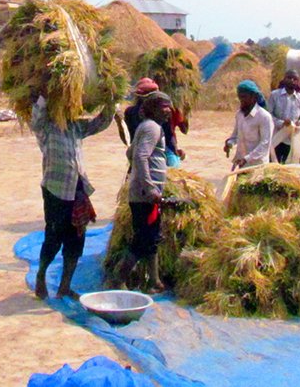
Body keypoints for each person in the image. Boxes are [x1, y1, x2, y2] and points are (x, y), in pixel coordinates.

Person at [31, 94, 114, 300]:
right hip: (56, 190)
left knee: (76, 240)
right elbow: (36, 118)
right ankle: (41, 276)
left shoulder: (76, 127)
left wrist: (112, 101)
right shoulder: (46, 128)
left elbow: (100, 123)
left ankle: (65, 286)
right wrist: (46, 93)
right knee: (53, 238)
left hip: (78, 189)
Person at [117, 91, 173, 293]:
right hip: (144, 196)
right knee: (143, 239)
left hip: (145, 193)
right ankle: (119, 279)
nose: (168, 112)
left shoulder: (147, 127)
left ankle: (154, 281)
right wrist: (150, 187)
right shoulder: (152, 128)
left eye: (169, 107)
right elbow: (140, 156)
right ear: (153, 109)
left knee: (152, 238)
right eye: (164, 107)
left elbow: (130, 152)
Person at [122, 77, 187, 166]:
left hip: (138, 150)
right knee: (173, 170)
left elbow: (128, 137)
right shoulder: (167, 110)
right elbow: (178, 132)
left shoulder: (129, 112)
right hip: (163, 151)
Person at [224, 80, 274, 168]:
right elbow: (236, 136)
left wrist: (247, 159)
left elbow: (265, 144)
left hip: (258, 166)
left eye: (244, 97)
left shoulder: (264, 117)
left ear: (253, 97)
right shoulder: (239, 114)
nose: (241, 100)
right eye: (239, 97)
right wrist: (229, 144)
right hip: (242, 165)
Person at [269, 70, 300, 164]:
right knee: (273, 166)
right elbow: (268, 115)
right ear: (284, 79)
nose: (292, 80)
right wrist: (281, 123)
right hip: (276, 138)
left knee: (289, 167)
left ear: (298, 82)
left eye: (295, 79)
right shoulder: (274, 95)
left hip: (292, 140)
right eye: (289, 78)